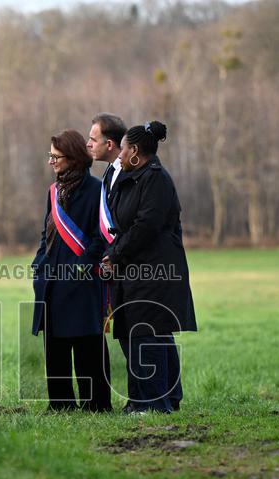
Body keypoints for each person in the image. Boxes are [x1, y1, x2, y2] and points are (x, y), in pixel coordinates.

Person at [102, 121, 197, 413]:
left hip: (154, 271)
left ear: (136, 152)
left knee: (147, 333)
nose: (119, 156)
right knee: (141, 332)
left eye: (124, 150)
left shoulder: (154, 179)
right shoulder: (133, 177)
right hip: (134, 268)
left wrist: (115, 253)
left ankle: (155, 404)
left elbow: (146, 226)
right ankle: (153, 400)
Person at [31, 129, 111, 412]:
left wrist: (82, 266)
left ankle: (97, 404)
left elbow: (102, 235)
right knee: (55, 346)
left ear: (74, 158)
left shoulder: (97, 189)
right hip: (52, 280)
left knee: (88, 342)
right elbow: (46, 234)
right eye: (50, 157)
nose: (51, 162)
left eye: (56, 157)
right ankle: (61, 404)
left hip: (84, 279)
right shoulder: (53, 192)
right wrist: (38, 267)